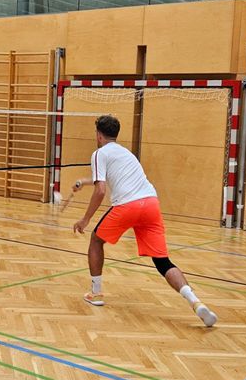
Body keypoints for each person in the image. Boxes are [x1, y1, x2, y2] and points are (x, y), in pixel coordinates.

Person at [72, 114, 217, 327]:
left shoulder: (99, 153)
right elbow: (105, 178)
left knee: (96, 240)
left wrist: (85, 219)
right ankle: (195, 302)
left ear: (99, 135)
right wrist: (83, 182)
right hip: (150, 204)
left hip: (128, 206)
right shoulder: (126, 153)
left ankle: (96, 293)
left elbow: (101, 189)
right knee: (162, 261)